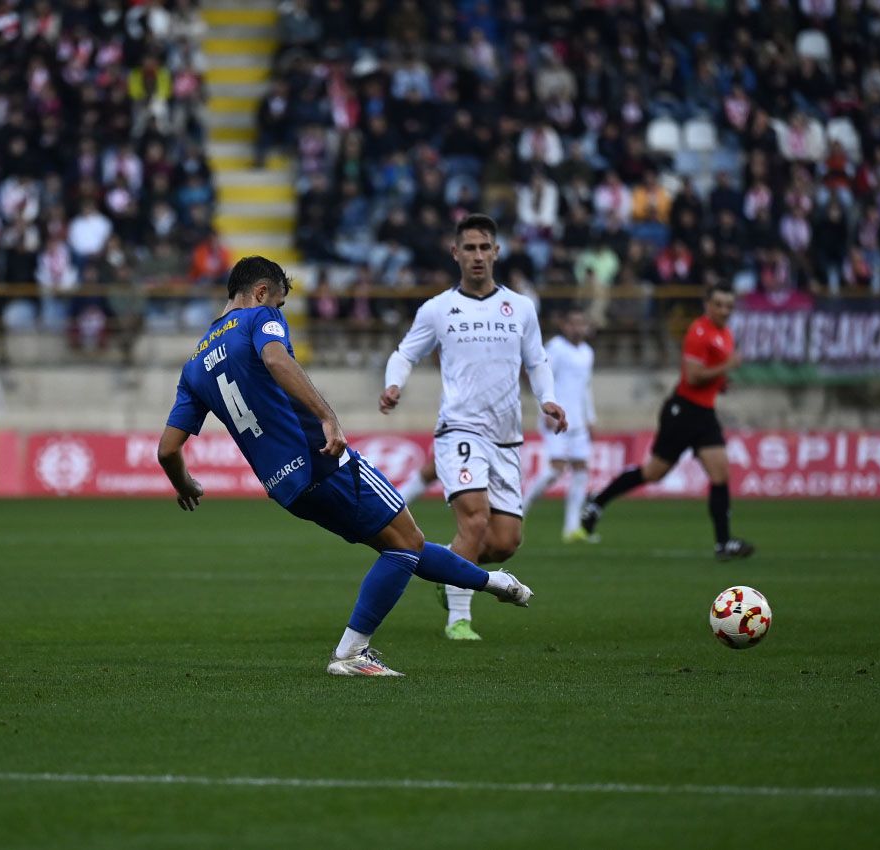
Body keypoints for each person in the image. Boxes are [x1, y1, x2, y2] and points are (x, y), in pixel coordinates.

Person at [157, 256, 535, 678]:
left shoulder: (194, 365)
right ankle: (351, 652)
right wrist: (328, 417)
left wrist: (185, 483)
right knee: (405, 543)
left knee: (400, 544)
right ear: (262, 293)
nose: (278, 313)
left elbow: (167, 450)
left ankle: (493, 583)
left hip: (288, 489)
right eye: (279, 304)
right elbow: (278, 360)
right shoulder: (257, 319)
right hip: (323, 460)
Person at [380, 213, 567, 641]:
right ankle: (458, 620)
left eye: (485, 247)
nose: (478, 256)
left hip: (506, 437)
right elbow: (404, 354)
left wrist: (549, 399)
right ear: (455, 253)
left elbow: (536, 361)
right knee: (475, 522)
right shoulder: (439, 309)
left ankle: (449, 570)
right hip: (458, 431)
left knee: (504, 542)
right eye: (470, 248)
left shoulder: (520, 308)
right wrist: (394, 385)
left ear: (497, 252)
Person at [580, 283, 754, 561]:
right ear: (707, 304)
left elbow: (709, 376)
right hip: (682, 412)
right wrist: (727, 367)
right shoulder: (699, 332)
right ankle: (597, 502)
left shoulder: (726, 334)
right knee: (653, 473)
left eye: (729, 306)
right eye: (719, 304)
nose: (724, 310)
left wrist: (722, 382)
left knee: (721, 474)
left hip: (704, 414)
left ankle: (723, 543)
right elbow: (694, 376)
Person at [519, 306, 598, 543]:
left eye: (581, 323)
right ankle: (519, 511)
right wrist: (543, 406)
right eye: (573, 323)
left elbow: (586, 388)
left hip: (578, 422)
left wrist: (590, 417)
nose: (577, 327)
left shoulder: (587, 352)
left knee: (581, 469)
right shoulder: (556, 348)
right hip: (555, 418)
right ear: (564, 325)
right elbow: (539, 376)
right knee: (556, 469)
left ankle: (571, 528)